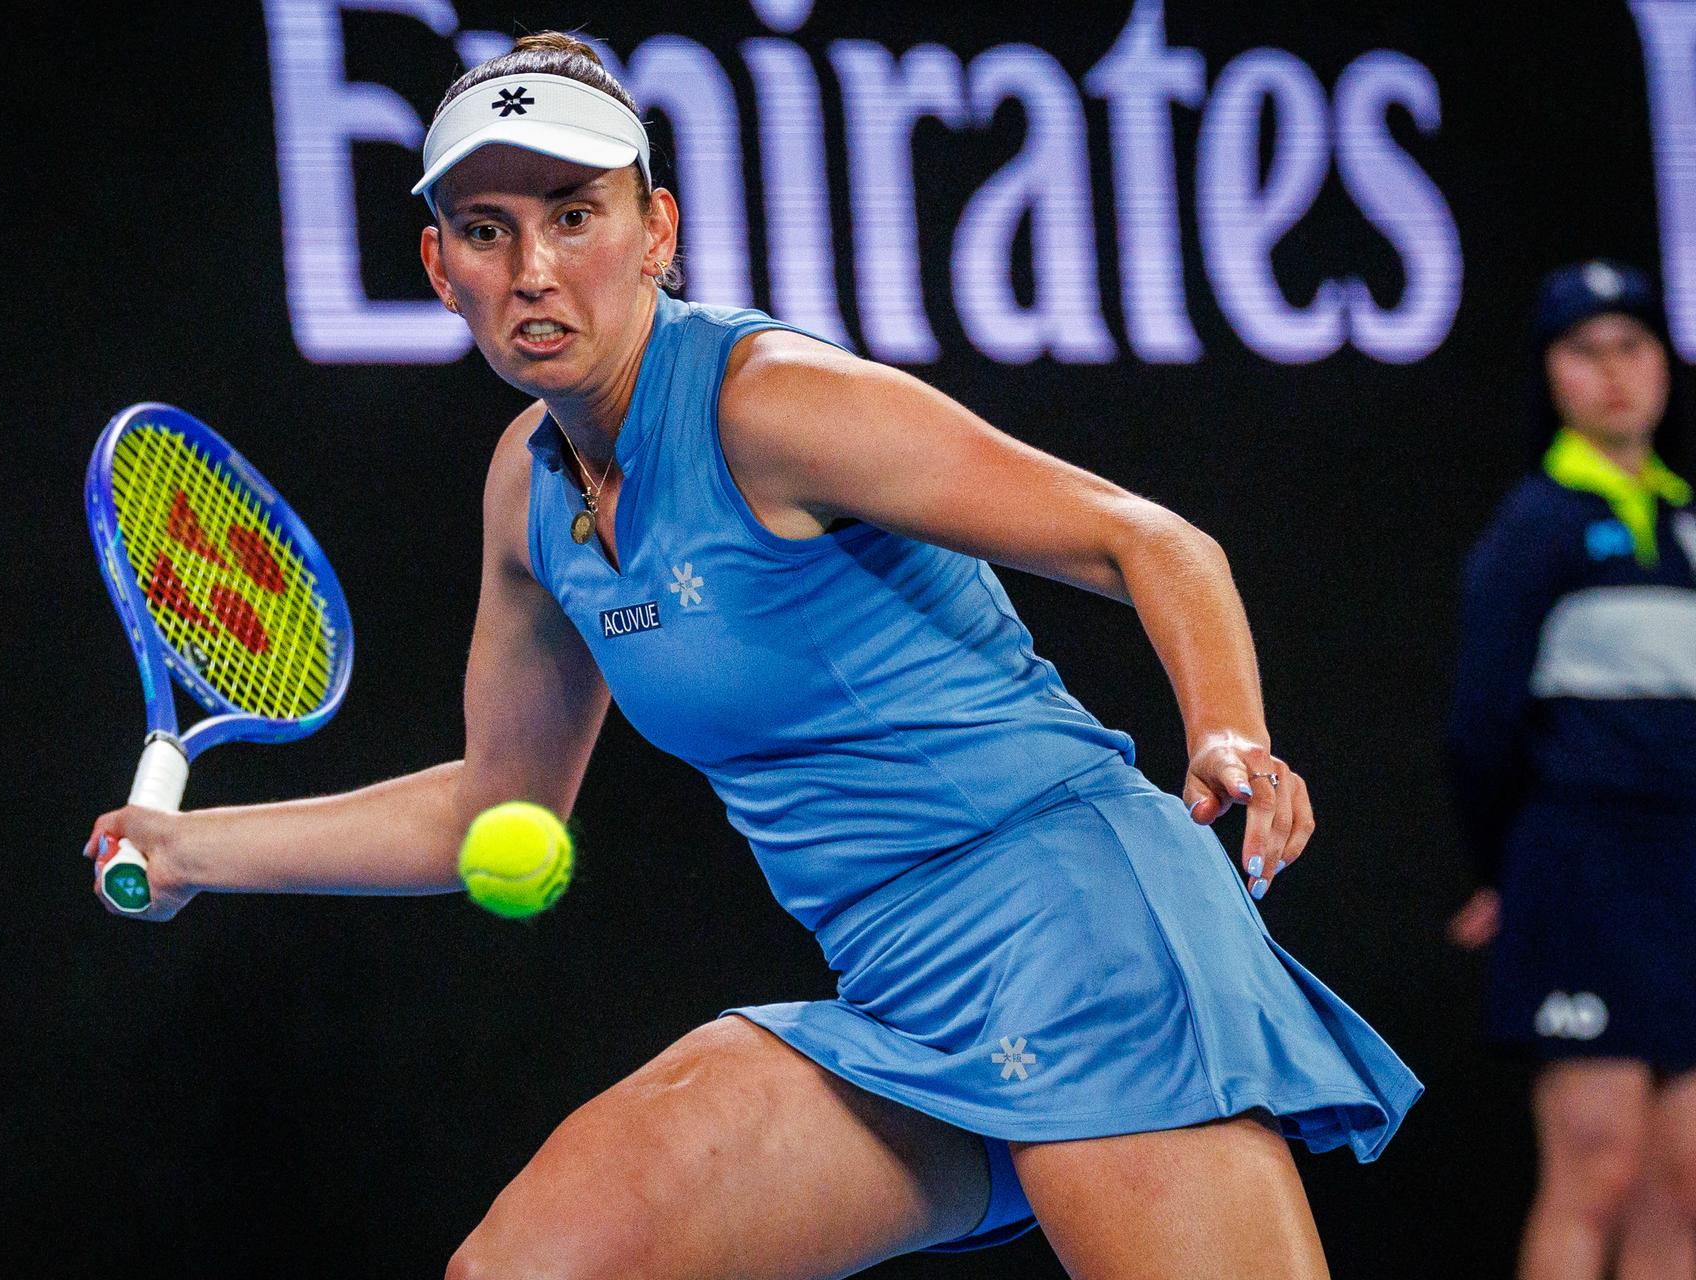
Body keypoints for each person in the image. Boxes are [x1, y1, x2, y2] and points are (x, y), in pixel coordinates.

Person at [86, 33, 1419, 1278]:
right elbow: (498, 806)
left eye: (574, 215)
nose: (532, 268)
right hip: (896, 996)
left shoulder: (769, 402)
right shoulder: (528, 495)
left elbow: (1153, 543)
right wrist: (201, 850)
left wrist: (1228, 733)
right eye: (488, 231)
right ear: (441, 267)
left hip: (1088, 934)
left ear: (655, 233)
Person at [1447, 259, 1696, 1280]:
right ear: (1551, 373)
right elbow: (1478, 724)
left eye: (1631, 346)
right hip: (1581, 870)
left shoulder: (1683, 522)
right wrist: (1509, 870)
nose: (1613, 374)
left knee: (1681, 1178)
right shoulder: (1536, 525)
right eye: (1583, 352)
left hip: (1683, 874)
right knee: (1595, 1168)